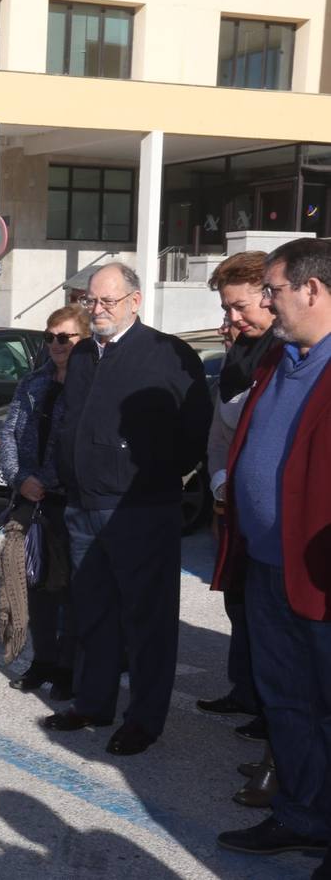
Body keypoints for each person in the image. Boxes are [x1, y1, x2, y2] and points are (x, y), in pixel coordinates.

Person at [44, 262, 210, 756]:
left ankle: (145, 718)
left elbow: (192, 431)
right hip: (83, 507)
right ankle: (94, 702)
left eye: (107, 302)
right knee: (93, 612)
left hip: (140, 508)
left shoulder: (167, 354)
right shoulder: (81, 358)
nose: (96, 311)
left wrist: (150, 473)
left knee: (147, 619)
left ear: (135, 301)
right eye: (90, 301)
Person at [213, 238, 331, 870]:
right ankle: (300, 816)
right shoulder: (276, 360)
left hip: (317, 575)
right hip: (263, 564)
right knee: (284, 701)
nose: (266, 302)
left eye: (274, 290)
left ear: (312, 290)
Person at [199, 253, 277, 741]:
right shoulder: (238, 356)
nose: (231, 319)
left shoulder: (287, 355)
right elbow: (219, 435)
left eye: (239, 306)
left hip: (266, 514)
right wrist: (218, 482)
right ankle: (244, 690)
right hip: (230, 502)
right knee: (238, 602)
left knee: (269, 615)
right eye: (227, 309)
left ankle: (271, 710)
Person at [0, 305, 89, 699]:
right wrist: (20, 479)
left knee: (69, 589)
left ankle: (69, 668)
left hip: (69, 499)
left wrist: (45, 480)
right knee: (34, 584)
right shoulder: (33, 381)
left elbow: (78, 444)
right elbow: (9, 432)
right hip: (31, 499)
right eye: (50, 337)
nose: (56, 344)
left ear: (83, 340)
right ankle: (43, 660)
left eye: (65, 337)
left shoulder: (91, 385)